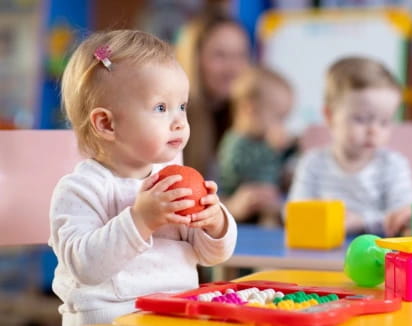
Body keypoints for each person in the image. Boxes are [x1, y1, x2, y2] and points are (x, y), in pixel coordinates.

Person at [49, 30, 237, 326]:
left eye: (182, 106)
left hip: (178, 314)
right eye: (161, 108)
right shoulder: (79, 190)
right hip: (110, 318)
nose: (179, 121)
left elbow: (211, 257)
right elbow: (85, 266)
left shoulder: (171, 183)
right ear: (107, 124)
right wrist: (141, 219)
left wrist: (215, 223)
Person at [288, 57, 412, 237]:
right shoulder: (312, 163)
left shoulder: (394, 165)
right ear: (330, 116)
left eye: (384, 122)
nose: (374, 130)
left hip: (376, 256)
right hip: (318, 254)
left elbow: (404, 217)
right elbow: (294, 214)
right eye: (361, 119)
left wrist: (361, 221)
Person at [175, 12, 251, 179]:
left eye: (240, 55)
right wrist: (233, 204)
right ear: (194, 60)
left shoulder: (250, 115)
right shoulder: (175, 119)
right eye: (220, 55)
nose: (233, 68)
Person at [217, 66, 294, 226]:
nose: (281, 126)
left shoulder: (261, 140)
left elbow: (280, 161)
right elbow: (244, 167)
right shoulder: (235, 141)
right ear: (250, 109)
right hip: (241, 213)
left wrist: (295, 146)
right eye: (278, 118)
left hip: (264, 204)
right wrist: (271, 148)